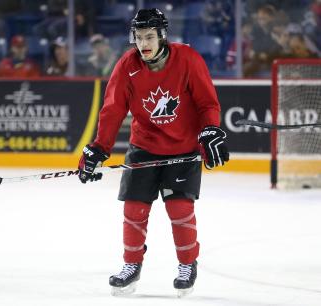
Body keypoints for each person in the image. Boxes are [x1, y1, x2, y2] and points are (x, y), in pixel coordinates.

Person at [77, 8, 229, 296]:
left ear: (162, 36)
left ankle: (187, 264)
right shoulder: (127, 65)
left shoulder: (187, 59)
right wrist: (99, 148)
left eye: (149, 37)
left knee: (180, 209)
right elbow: (112, 111)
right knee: (134, 209)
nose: (143, 44)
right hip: (144, 147)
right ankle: (131, 266)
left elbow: (207, 103)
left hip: (183, 150)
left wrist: (210, 130)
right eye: (138, 37)